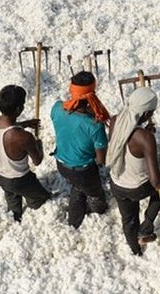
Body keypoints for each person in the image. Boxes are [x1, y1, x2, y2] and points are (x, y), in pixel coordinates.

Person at [107, 87, 160, 256]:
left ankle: (135, 250)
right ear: (146, 114)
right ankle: (147, 225)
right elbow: (156, 181)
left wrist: (144, 132)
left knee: (128, 219)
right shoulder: (145, 138)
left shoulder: (114, 121)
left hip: (116, 184)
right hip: (137, 188)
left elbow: (124, 142)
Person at [51, 71, 110, 229]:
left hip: (61, 164)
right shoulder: (95, 126)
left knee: (78, 184)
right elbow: (101, 159)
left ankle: (78, 192)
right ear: (92, 95)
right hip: (83, 171)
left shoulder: (56, 108)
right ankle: (93, 211)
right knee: (95, 194)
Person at [0, 85, 51, 223]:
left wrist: (24, 124)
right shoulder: (23, 137)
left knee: (10, 193)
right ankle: (34, 207)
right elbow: (37, 161)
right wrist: (38, 144)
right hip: (18, 180)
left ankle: (15, 215)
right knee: (40, 197)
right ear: (19, 109)